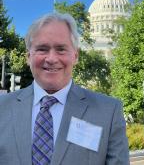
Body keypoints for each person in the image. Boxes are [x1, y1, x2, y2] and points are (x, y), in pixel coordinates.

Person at [0, 12, 130, 165]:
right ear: (28, 56)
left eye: (61, 49)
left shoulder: (109, 112)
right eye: (42, 49)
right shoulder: (2, 108)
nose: (52, 59)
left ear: (75, 55)